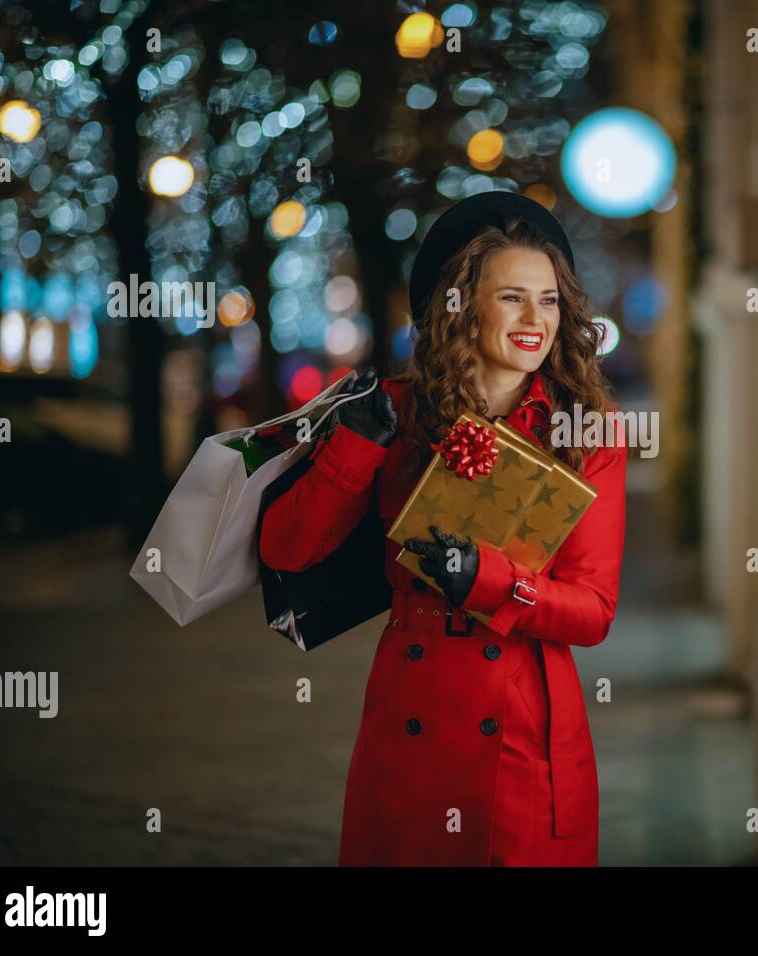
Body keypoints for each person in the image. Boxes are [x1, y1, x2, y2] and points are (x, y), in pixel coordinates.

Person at [258, 191, 627, 866]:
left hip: (523, 740)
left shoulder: (589, 432)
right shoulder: (392, 411)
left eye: (548, 301)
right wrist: (353, 450)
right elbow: (286, 550)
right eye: (512, 297)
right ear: (459, 306)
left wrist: (484, 580)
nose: (535, 320)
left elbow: (594, 613)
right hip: (410, 723)